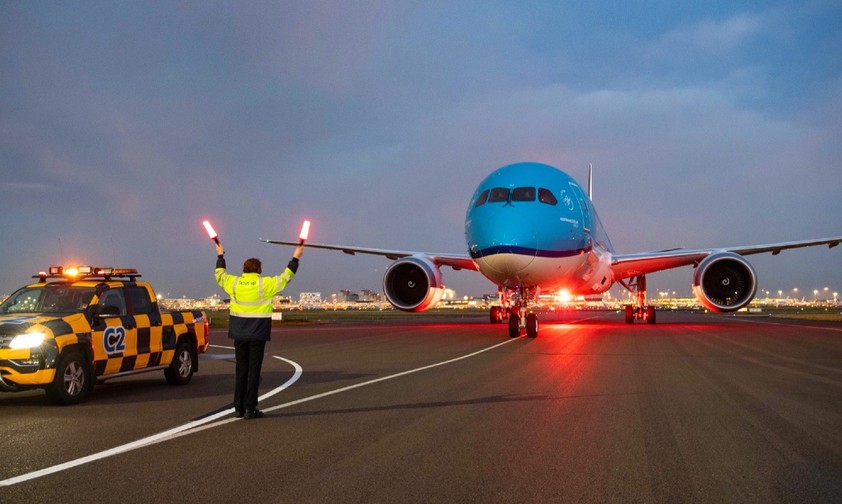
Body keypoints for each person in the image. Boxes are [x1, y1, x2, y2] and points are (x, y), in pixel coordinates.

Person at [213, 239, 304, 419]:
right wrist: (295, 257)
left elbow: (219, 274)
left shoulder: (234, 283)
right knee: (254, 371)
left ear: (244, 270)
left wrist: (220, 255)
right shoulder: (265, 284)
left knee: (241, 370)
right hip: (257, 335)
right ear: (259, 271)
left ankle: (237, 408)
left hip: (239, 333)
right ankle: (250, 408)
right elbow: (287, 276)